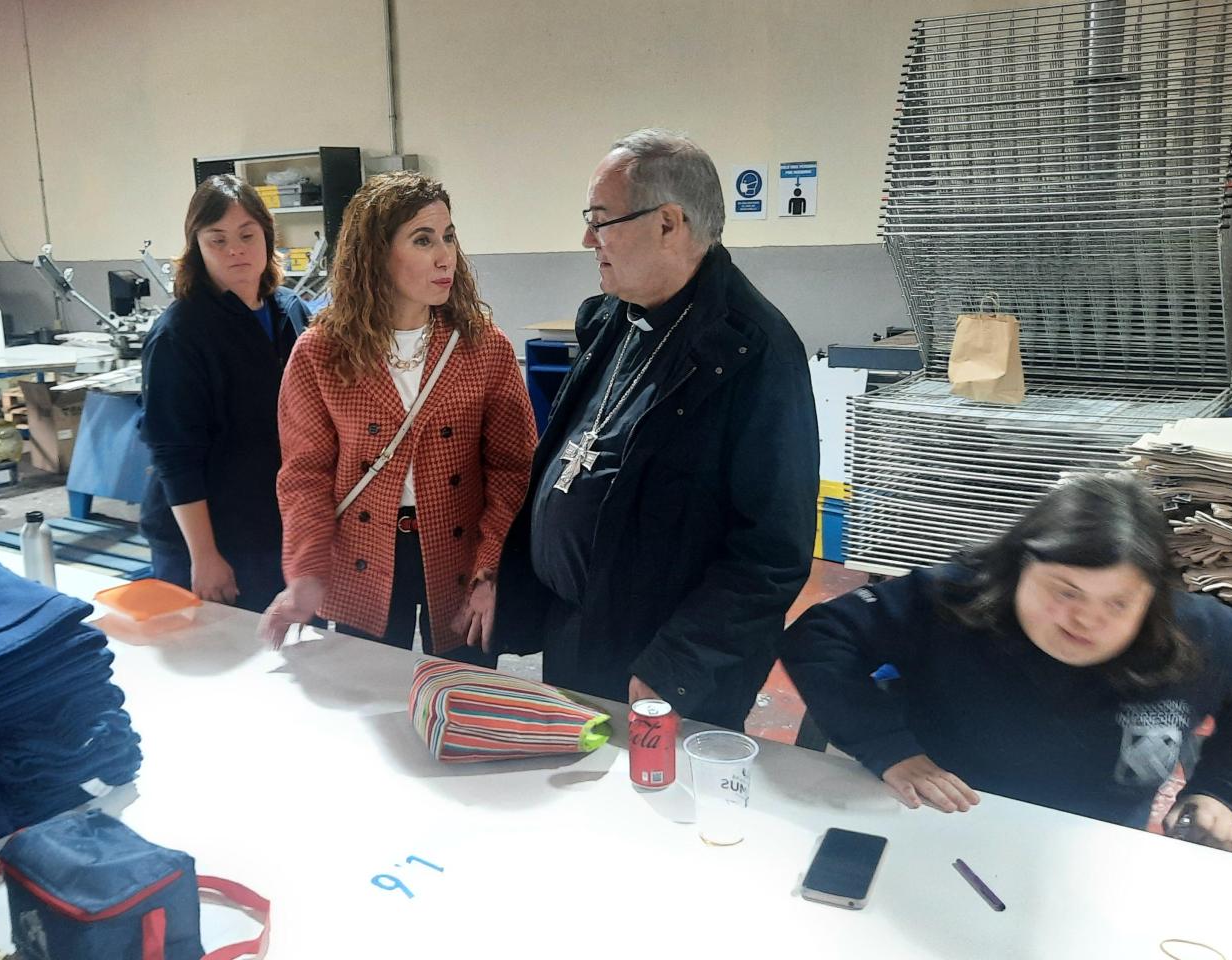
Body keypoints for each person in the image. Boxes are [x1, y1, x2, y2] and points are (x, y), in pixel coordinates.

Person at [493, 129, 819, 728]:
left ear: (669, 223)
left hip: (663, 661)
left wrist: (676, 664)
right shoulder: (614, 320)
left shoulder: (756, 353)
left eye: (601, 219)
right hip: (579, 629)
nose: (587, 238)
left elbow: (771, 552)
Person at [781, 474, 1232, 850]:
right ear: (1018, 571)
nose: (1086, 620)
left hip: (1094, 848)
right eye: (1065, 591)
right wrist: (888, 748)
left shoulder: (1197, 634)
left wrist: (1221, 790)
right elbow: (819, 637)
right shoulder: (957, 598)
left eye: (1118, 603)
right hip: (934, 821)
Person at [258, 172, 537, 659]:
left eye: (448, 237)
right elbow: (305, 476)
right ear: (376, 254)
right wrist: (305, 574)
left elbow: (514, 472)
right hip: (361, 552)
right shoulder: (322, 353)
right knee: (359, 699)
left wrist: (492, 568)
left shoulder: (482, 347)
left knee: (460, 697)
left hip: (460, 554)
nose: (444, 256)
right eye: (423, 239)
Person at [139, 175, 309, 612]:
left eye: (247, 235)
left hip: (275, 526)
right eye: (218, 239)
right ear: (196, 246)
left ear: (268, 237)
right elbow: (173, 453)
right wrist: (205, 556)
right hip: (208, 539)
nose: (236, 249)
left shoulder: (290, 311)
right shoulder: (180, 335)